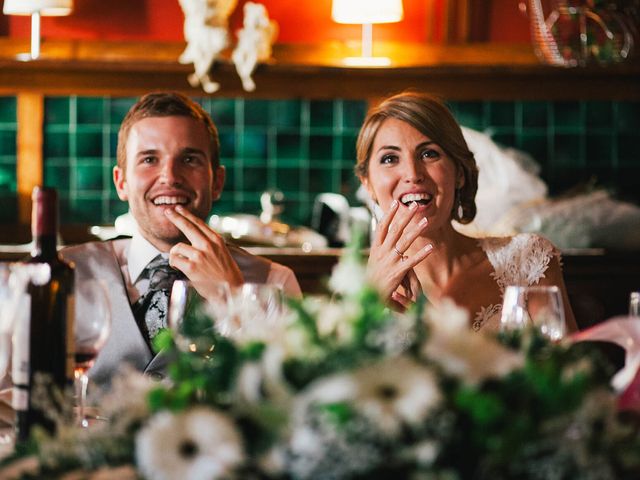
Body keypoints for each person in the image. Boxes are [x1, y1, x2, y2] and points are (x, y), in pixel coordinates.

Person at [62, 92, 301, 385]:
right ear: (121, 182)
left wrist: (231, 298)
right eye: (149, 159)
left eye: (189, 159)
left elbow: (288, 403)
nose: (170, 176)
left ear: (217, 182)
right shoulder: (63, 273)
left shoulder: (276, 284)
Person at [356, 91, 577, 333]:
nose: (412, 174)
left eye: (429, 154)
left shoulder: (528, 261)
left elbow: (569, 369)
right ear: (367, 183)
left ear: (459, 173)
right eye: (389, 158)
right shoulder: (352, 296)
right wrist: (368, 303)